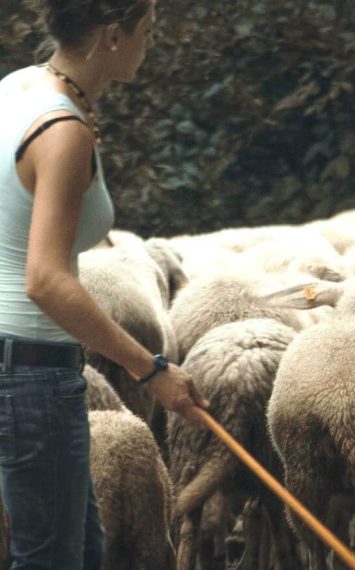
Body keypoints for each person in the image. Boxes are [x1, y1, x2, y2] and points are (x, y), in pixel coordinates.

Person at [0, 0, 207, 567]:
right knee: (51, 559)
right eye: (149, 30)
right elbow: (45, 280)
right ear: (114, 36)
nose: (151, 44)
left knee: (83, 553)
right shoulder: (63, 131)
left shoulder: (19, 86)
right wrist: (151, 368)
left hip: (15, 363)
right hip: (30, 374)